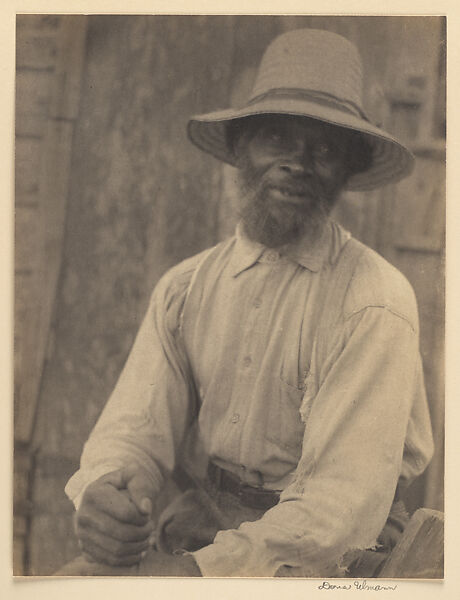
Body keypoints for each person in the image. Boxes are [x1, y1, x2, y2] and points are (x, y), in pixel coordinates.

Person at [59, 28, 434, 577]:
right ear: (240, 149)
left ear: (348, 171)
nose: (297, 164)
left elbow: (338, 513)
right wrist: (109, 487)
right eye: (276, 139)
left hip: (336, 556)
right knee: (68, 583)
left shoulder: (374, 302)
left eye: (324, 149)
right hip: (206, 522)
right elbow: (135, 430)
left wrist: (194, 575)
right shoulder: (185, 288)